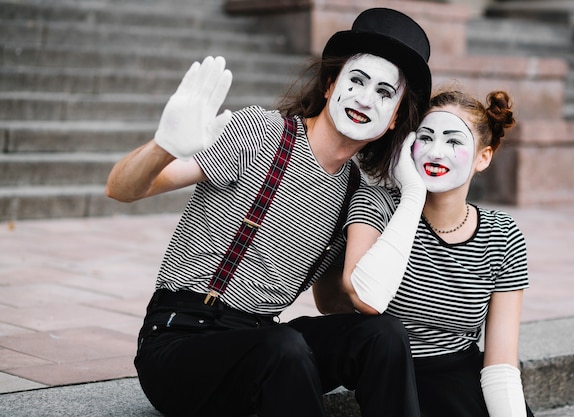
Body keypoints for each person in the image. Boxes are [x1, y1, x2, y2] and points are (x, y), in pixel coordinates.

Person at [105, 8, 432, 417]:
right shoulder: (261, 133)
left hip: (265, 342)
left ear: (395, 120)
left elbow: (331, 302)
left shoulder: (356, 191)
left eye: (386, 93)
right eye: (358, 81)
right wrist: (164, 146)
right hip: (181, 341)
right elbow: (120, 189)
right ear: (331, 85)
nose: (367, 100)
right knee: (284, 349)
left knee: (382, 335)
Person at [318, 85, 535, 417]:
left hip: (461, 374)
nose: (436, 152)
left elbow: (501, 363)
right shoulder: (377, 205)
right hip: (392, 372)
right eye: (426, 138)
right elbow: (362, 294)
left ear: (483, 157)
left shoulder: (502, 234)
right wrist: (413, 194)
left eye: (453, 141)